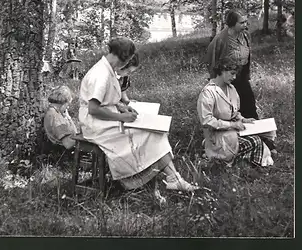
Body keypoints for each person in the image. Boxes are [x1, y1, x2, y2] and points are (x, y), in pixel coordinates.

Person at [79, 37, 197, 194]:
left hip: (106, 117)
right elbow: (93, 109)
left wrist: (122, 108)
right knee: (150, 134)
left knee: (155, 131)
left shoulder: (109, 70)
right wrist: (121, 118)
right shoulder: (100, 74)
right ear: (122, 57)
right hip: (95, 124)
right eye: (127, 61)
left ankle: (173, 179)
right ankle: (164, 180)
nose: (126, 65)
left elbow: (107, 101)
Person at [197, 62, 274, 167]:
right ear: (222, 71)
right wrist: (232, 125)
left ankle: (244, 162)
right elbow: (206, 121)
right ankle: (250, 166)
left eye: (235, 74)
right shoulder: (208, 92)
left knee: (263, 137)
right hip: (217, 136)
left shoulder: (231, 89)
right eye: (232, 73)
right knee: (255, 141)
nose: (234, 77)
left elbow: (234, 113)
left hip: (232, 132)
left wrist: (243, 120)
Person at [205, 10, 258, 120]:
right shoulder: (220, 39)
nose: (245, 25)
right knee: (231, 107)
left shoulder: (245, 35)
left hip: (242, 75)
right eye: (242, 23)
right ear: (232, 23)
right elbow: (212, 61)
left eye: (246, 22)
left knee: (249, 102)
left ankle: (255, 132)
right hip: (227, 77)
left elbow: (247, 57)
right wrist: (217, 82)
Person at [43, 85, 78, 150]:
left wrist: (68, 118)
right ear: (63, 102)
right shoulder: (56, 117)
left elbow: (74, 133)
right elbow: (68, 144)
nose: (68, 107)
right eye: (68, 104)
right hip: (62, 153)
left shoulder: (51, 111)